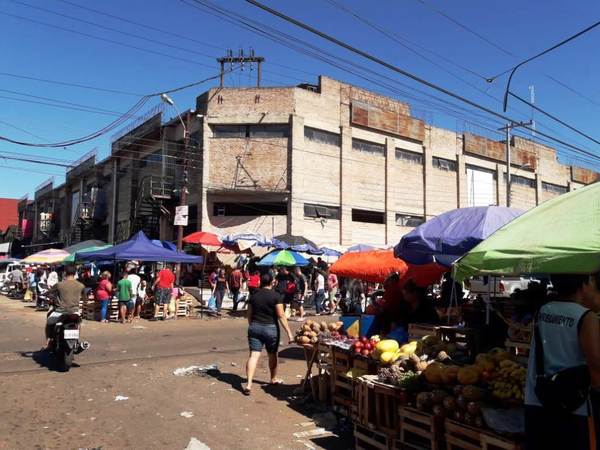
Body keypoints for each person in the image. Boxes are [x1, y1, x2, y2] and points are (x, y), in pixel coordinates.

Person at [524, 273, 600, 450]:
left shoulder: (543, 310)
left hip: (538, 399)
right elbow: (596, 367)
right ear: (585, 283)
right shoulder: (586, 317)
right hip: (573, 406)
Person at [242, 272, 294, 395]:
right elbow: (281, 315)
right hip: (271, 329)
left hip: (255, 327)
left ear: (260, 281)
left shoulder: (253, 295)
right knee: (272, 355)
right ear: (272, 282)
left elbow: (248, 315)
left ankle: (248, 384)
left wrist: (253, 326)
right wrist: (289, 333)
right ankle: (273, 378)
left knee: (253, 356)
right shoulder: (276, 296)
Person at [45, 265, 84, 349]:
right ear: (75, 273)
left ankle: (49, 342)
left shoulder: (59, 285)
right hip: (74, 311)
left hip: (59, 311)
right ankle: (76, 340)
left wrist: (46, 295)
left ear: (65, 273)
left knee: (49, 323)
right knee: (78, 324)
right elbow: (85, 298)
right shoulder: (81, 285)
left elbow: (49, 293)